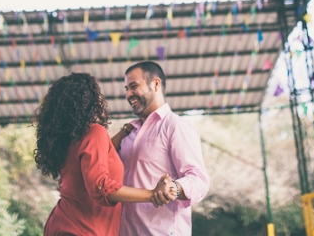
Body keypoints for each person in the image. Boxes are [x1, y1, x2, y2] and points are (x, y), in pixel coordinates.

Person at [34, 73, 178, 236]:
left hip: (66, 225)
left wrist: (123, 133)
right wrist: (152, 194)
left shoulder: (71, 140)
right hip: (81, 229)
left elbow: (100, 153)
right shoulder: (93, 132)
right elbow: (101, 187)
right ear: (89, 100)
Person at [112, 61, 210, 236]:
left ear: (156, 84)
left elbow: (199, 180)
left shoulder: (176, 126)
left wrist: (173, 188)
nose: (128, 94)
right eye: (126, 89)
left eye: (134, 86)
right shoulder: (127, 132)